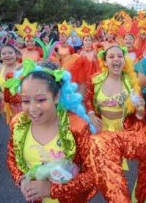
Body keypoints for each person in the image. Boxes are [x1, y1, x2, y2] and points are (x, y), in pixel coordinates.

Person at [6, 59, 96, 202]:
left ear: (56, 97)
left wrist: (52, 189)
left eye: (41, 100)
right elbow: (12, 159)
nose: (33, 108)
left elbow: (94, 173)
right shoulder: (19, 124)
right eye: (26, 101)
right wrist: (22, 180)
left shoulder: (76, 127)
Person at [84, 45, 146, 170]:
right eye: (111, 56)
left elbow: (140, 114)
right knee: (104, 167)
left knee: (120, 169)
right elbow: (88, 98)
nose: (116, 59)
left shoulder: (131, 82)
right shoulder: (96, 79)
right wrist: (90, 114)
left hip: (124, 131)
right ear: (105, 62)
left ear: (124, 60)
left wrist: (139, 109)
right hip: (101, 128)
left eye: (120, 56)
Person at [0, 44, 21, 123]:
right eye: (4, 54)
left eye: (10, 53)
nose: (7, 55)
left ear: (16, 54)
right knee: (13, 128)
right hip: (8, 106)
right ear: (0, 57)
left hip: (25, 104)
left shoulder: (24, 67)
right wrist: (7, 98)